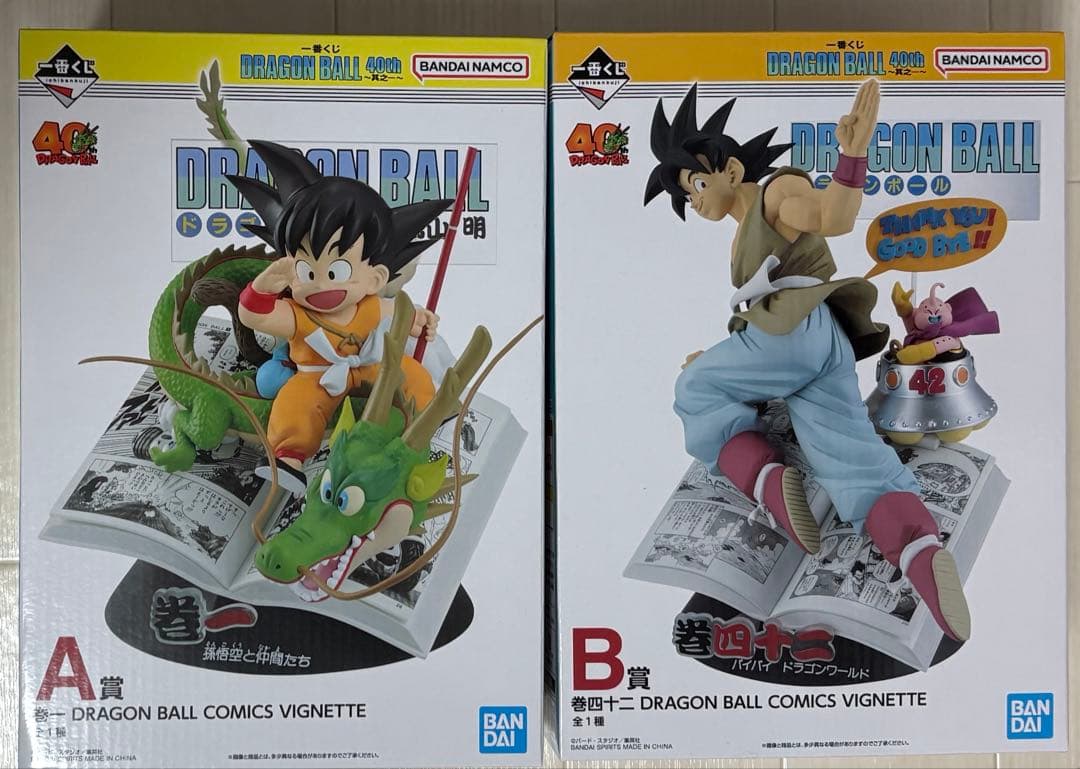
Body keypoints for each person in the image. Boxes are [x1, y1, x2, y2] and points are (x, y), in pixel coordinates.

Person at [644, 81, 970, 641]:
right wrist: (729, 354)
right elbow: (762, 305)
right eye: (684, 195)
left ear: (730, 169)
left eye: (694, 182)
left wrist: (853, 154)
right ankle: (919, 549)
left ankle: (766, 479)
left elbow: (831, 216)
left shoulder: (776, 193)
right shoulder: (747, 225)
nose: (692, 200)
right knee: (852, 459)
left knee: (694, 390)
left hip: (794, 335)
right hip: (821, 343)